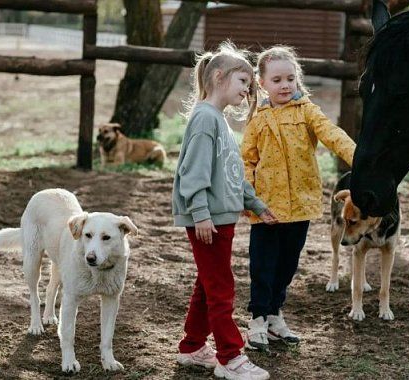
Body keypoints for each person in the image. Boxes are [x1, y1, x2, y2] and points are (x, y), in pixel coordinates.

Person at [172, 41, 278, 380]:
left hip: (219, 218)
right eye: (243, 82)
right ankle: (230, 358)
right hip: (209, 220)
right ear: (219, 77)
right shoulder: (205, 119)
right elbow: (193, 173)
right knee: (221, 287)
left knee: (208, 284)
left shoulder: (217, 120)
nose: (248, 90)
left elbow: (231, 175)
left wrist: (255, 203)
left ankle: (191, 347)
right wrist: (200, 213)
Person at [241, 45, 356, 351]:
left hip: (301, 205)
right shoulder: (258, 119)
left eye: (290, 78)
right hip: (266, 209)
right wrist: (248, 198)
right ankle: (257, 320)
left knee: (288, 265)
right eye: (277, 80)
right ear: (262, 83)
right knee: (262, 266)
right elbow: (246, 160)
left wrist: (359, 156)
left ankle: (275, 315)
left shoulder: (307, 111)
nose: (285, 85)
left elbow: (331, 133)